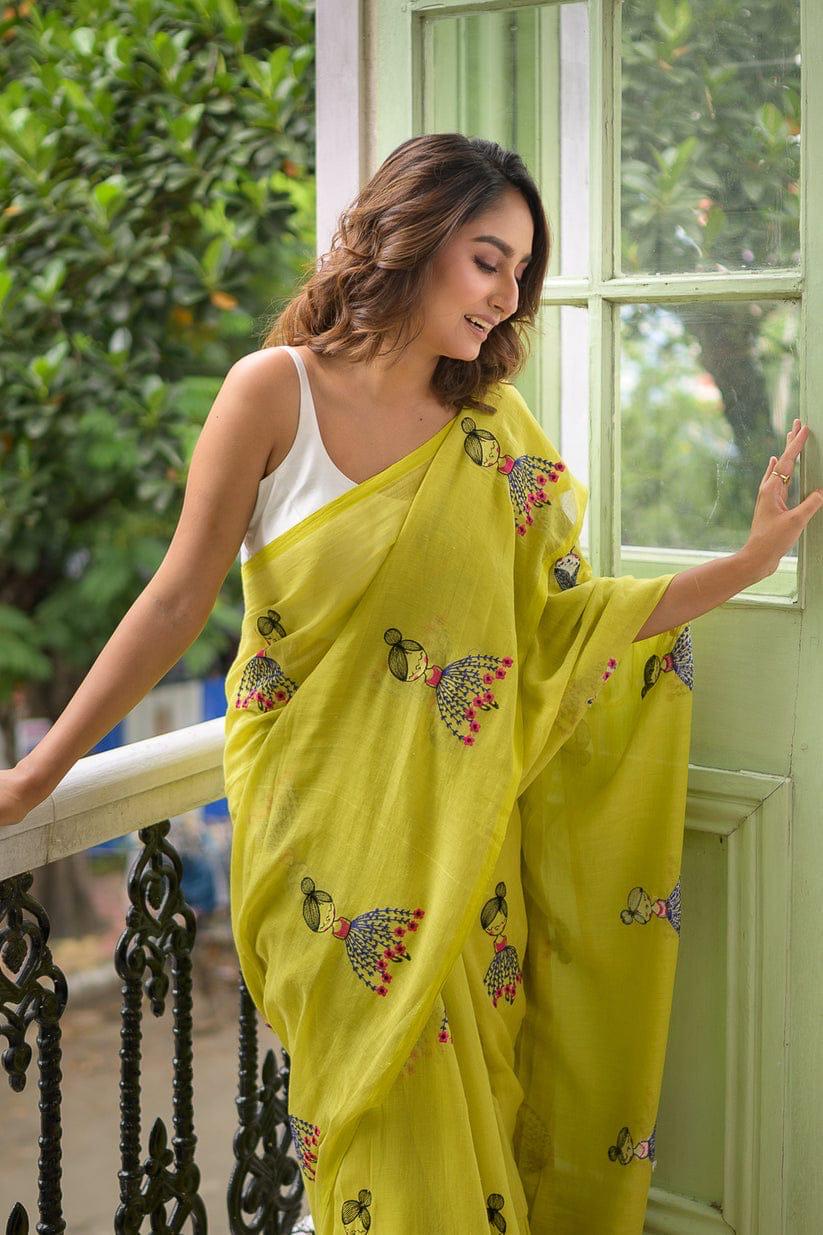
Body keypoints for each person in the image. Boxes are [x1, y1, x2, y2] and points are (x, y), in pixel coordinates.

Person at [1, 133, 820, 1234]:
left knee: (457, 1138)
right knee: (371, 1133)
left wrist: (744, 566)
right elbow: (173, 602)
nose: (506, 295)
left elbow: (562, 624)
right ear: (412, 235)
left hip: (458, 842)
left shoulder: (491, 434)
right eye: (487, 259)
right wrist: (39, 774)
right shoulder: (272, 392)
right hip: (316, 841)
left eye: (520, 271)